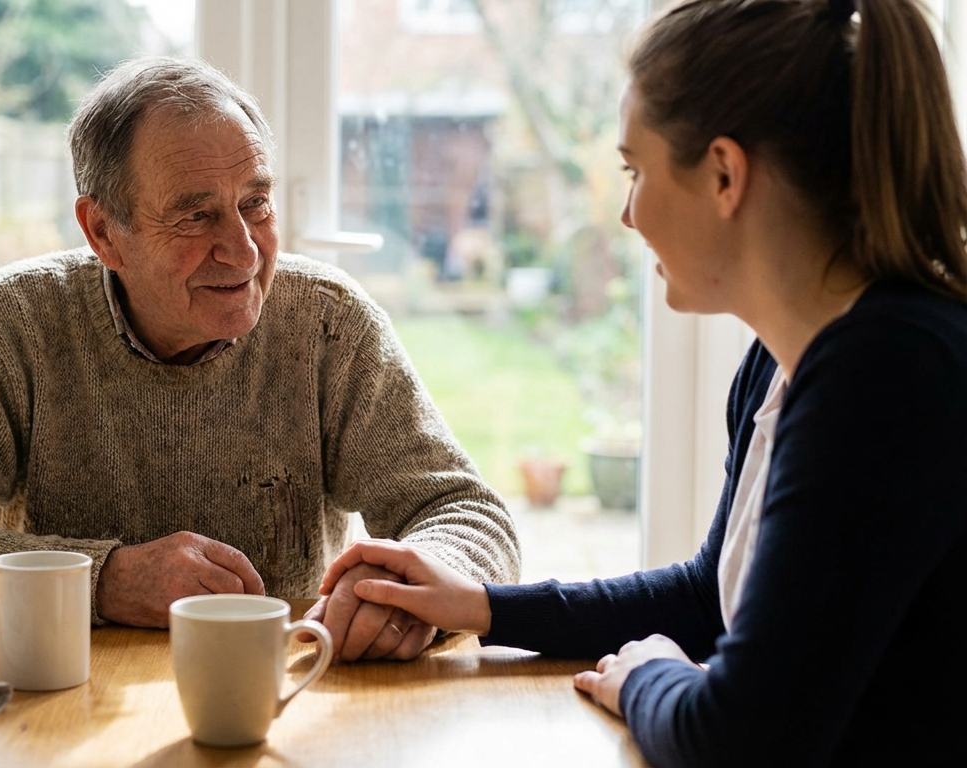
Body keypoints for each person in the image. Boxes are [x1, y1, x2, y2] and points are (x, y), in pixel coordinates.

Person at [318, 0, 967, 763]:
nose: (627, 214)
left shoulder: (888, 376)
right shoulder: (781, 364)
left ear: (724, 174)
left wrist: (647, 676)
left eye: (636, 171)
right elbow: (707, 599)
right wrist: (482, 606)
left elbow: (738, 742)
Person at [0, 57, 519, 662]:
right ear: (104, 231)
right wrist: (104, 578)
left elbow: (468, 514)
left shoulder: (328, 324)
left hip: (278, 699)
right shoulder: (15, 325)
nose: (245, 252)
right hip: (66, 710)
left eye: (256, 203)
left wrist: (411, 592)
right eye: (196, 216)